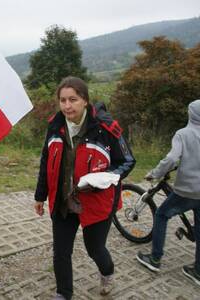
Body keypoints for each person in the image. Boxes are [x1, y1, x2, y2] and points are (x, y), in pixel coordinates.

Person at [34, 77, 135, 299]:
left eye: (73, 99)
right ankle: (64, 293)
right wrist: (40, 196)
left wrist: (107, 177)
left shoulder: (106, 127)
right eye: (63, 100)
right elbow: (45, 160)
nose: (67, 106)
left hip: (97, 202)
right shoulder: (55, 125)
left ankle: (107, 272)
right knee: (61, 251)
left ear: (85, 101)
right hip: (63, 200)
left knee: (95, 249)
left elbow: (127, 161)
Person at [136, 99, 200, 286]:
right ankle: (197, 271)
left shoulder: (183, 133)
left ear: (191, 114)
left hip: (187, 190)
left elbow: (172, 158)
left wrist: (155, 174)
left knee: (162, 214)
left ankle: (155, 259)